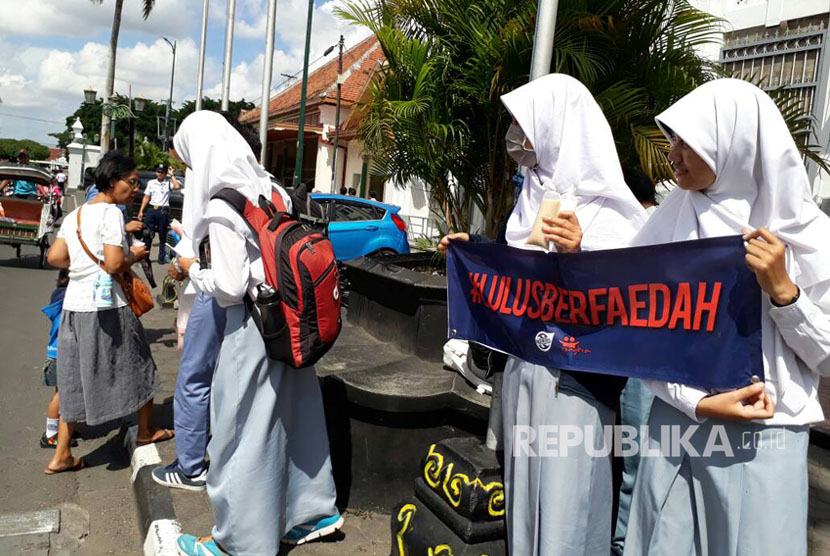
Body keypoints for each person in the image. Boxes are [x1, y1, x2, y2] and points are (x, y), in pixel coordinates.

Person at [623, 79, 830, 555]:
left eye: (684, 142)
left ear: (731, 140)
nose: (671, 154)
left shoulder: (807, 237)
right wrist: (693, 402)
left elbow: (825, 359)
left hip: (762, 440)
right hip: (675, 427)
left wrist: (785, 293)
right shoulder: (668, 221)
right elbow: (636, 325)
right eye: (670, 140)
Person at [443, 74, 647, 555]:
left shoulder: (613, 215)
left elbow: (629, 305)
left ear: (560, 127)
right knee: (526, 501)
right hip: (525, 372)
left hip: (573, 384)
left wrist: (580, 258)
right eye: (515, 124)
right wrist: (479, 254)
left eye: (526, 124)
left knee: (567, 509)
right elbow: (519, 270)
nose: (517, 136)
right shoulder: (531, 197)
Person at [171, 111, 342, 556]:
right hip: (292, 320)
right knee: (297, 418)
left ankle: (238, 543)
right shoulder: (271, 188)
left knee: (238, 432)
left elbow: (228, 287)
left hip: (252, 326)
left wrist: (192, 267)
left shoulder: (221, 204)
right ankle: (310, 513)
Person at [44, 151, 173, 475]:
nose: (135, 188)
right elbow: (116, 263)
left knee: (73, 380)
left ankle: (61, 454)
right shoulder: (112, 214)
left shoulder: (76, 214)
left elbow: (57, 257)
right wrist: (134, 254)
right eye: (131, 182)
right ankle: (145, 432)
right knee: (141, 364)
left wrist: (86, 267)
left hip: (74, 306)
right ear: (113, 181)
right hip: (106, 307)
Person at [153, 112, 261, 492]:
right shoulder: (261, 183)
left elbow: (227, 283)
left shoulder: (221, 196)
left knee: (194, 379)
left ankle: (190, 465)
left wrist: (190, 266)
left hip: (217, 295)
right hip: (260, 308)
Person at [39, 269, 73, 449]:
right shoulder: (70, 298)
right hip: (62, 354)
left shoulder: (57, 294)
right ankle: (50, 434)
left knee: (62, 393)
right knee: (60, 395)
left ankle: (60, 428)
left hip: (54, 354)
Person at [137, 163, 180, 263]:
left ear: (165, 174)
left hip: (162, 211)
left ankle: (161, 258)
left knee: (162, 236)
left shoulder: (168, 183)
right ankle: (145, 256)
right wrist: (141, 211)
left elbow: (177, 186)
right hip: (152, 210)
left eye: (162, 172)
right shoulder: (151, 183)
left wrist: (171, 175)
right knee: (147, 234)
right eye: (158, 172)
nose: (160, 174)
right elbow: (146, 197)